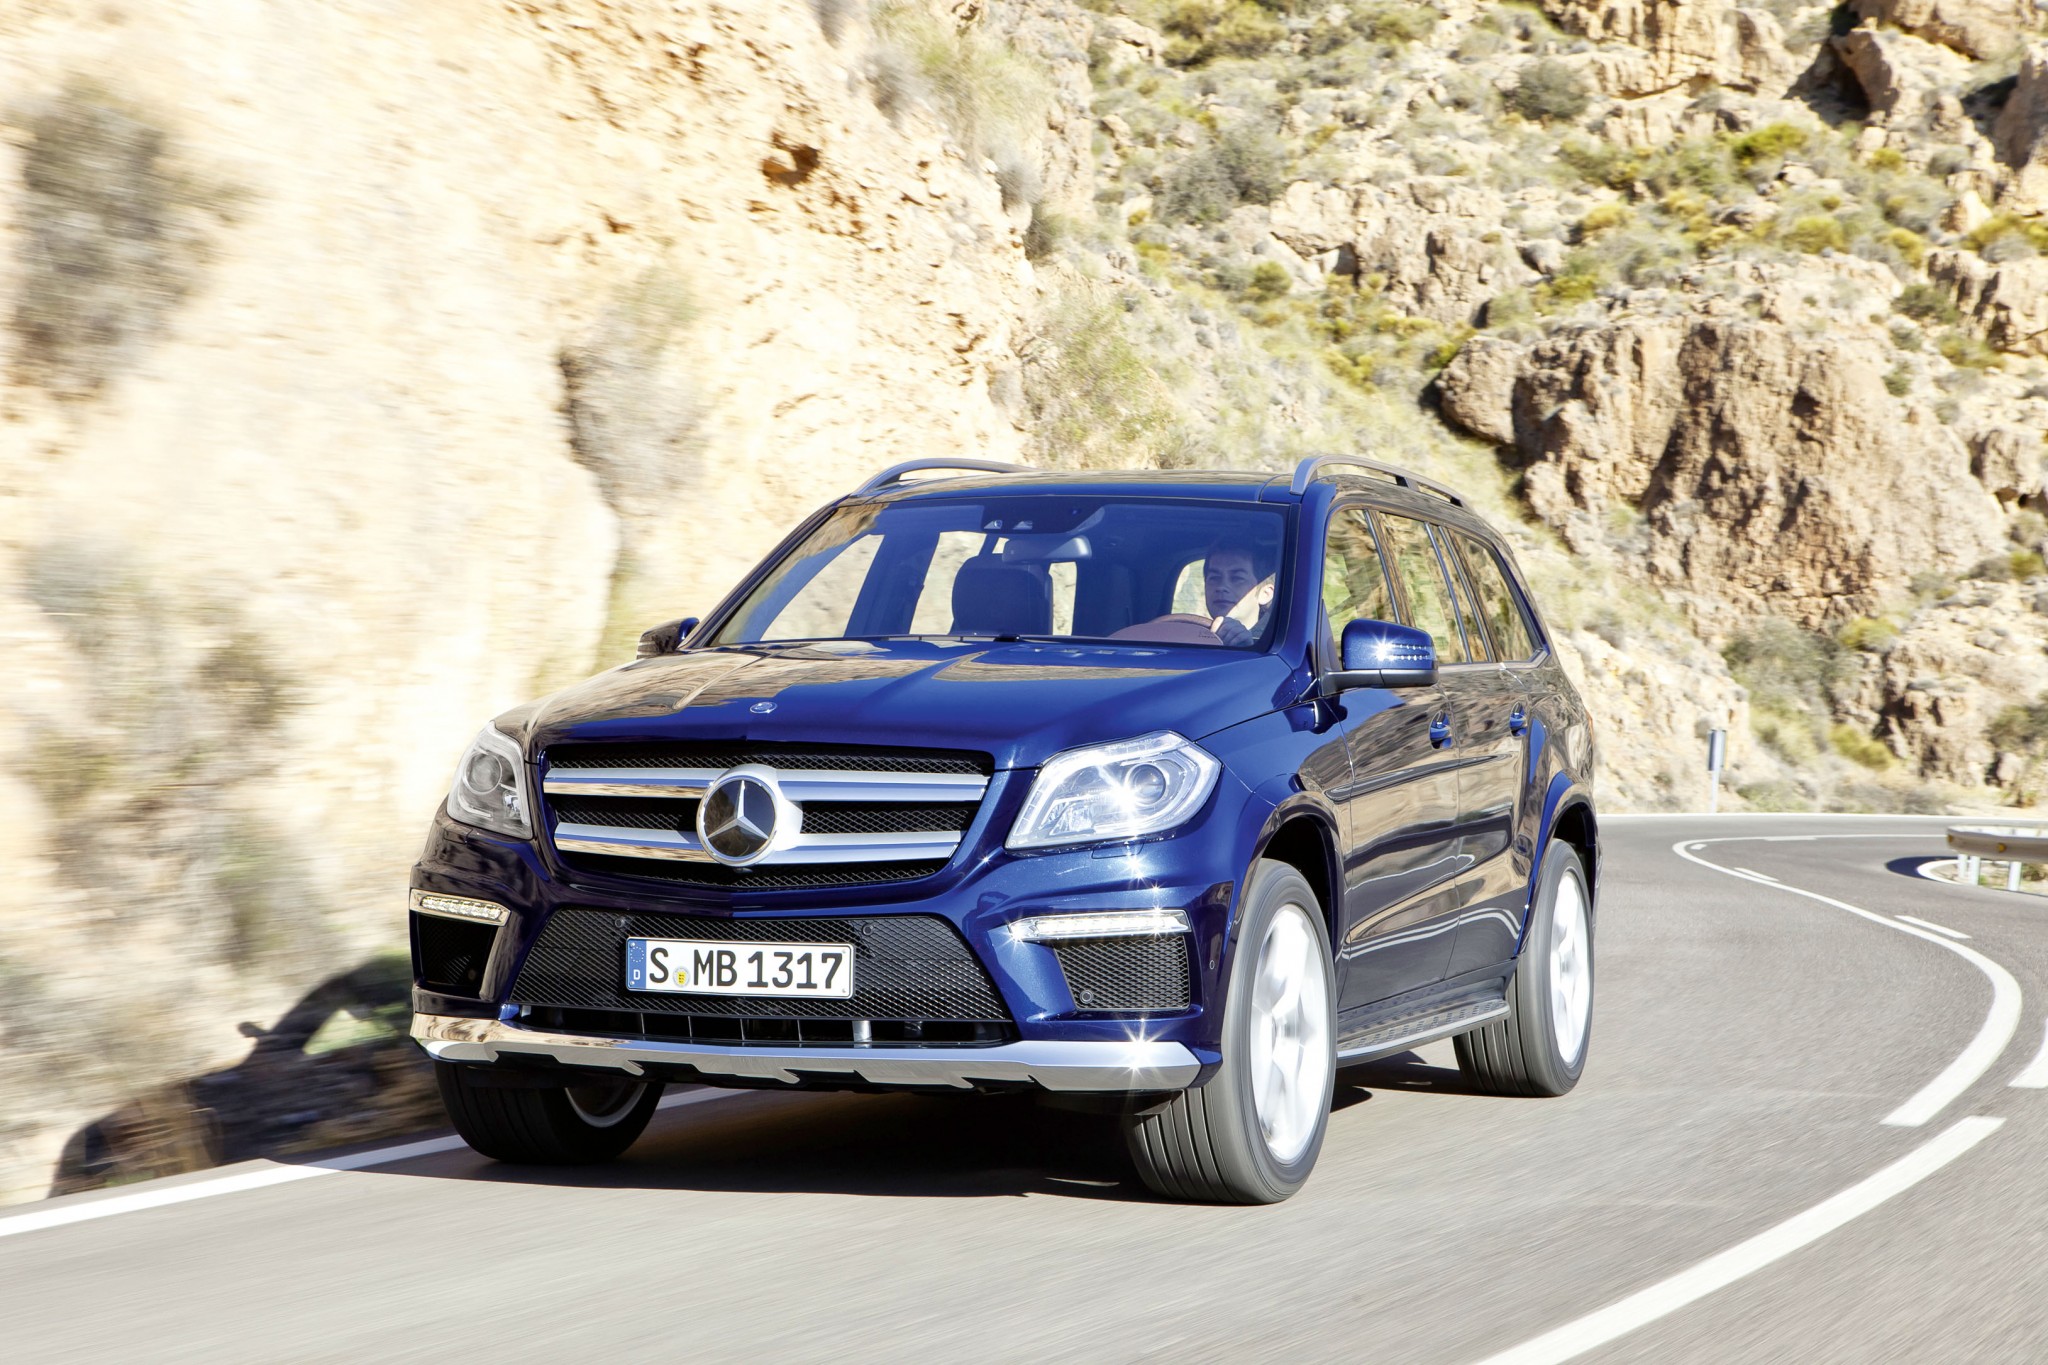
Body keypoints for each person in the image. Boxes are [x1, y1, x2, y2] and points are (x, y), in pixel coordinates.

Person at [1202, 543, 1275, 646]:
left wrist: (1247, 647)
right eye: (1214, 578)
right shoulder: (1189, 637)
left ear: (1265, 594)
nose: (1221, 587)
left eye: (1237, 578)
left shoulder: (1273, 644)